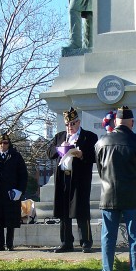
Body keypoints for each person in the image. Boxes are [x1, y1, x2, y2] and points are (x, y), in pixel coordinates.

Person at [95, 105, 136, 271]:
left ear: (115, 122)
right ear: (132, 123)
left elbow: (100, 170)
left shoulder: (102, 142)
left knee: (108, 237)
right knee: (135, 238)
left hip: (109, 194)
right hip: (133, 196)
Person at [46, 107, 98, 253]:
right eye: (68, 124)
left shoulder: (89, 137)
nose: (70, 127)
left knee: (81, 210)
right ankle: (66, 242)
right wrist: (58, 149)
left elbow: (94, 156)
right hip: (62, 178)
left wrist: (81, 154)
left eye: (73, 124)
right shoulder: (59, 137)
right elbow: (49, 153)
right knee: (63, 212)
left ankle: (86, 242)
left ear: (78, 122)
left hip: (79, 179)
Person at [0, 133, 28, 251]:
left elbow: (23, 175)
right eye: (0, 143)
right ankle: (0, 244)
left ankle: (9, 244)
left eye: (5, 143)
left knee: (10, 219)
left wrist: (20, 191)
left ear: (9, 144)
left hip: (11, 192)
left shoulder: (16, 156)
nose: (3, 145)